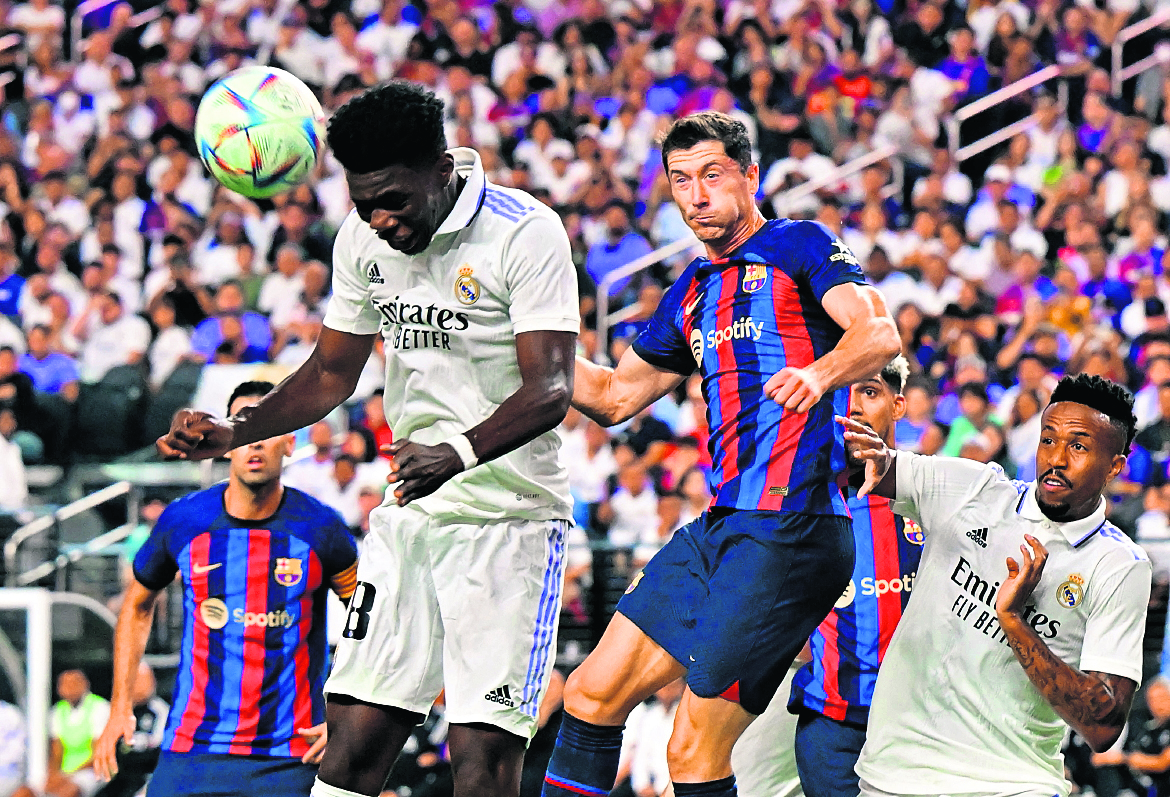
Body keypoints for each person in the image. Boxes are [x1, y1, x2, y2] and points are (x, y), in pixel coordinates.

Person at [155, 80, 579, 797]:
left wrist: (459, 452)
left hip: (510, 526)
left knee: (480, 762)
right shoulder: (363, 239)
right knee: (348, 751)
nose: (380, 219)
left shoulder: (523, 231)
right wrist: (234, 428)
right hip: (412, 515)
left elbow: (551, 386)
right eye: (364, 204)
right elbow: (329, 371)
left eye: (394, 201)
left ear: (441, 172)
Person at [542, 111, 900, 797]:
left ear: (749, 176)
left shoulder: (798, 244)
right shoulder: (692, 290)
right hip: (723, 526)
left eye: (711, 174)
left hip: (793, 531)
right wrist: (526, 337)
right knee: (588, 695)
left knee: (692, 749)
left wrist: (820, 374)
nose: (696, 194)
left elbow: (878, 333)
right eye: (681, 180)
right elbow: (616, 395)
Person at [841, 372, 1152, 797]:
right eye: (1048, 439)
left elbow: (1102, 725)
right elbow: (869, 461)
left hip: (1012, 785)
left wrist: (1013, 619)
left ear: (1115, 465)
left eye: (1078, 446)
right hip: (894, 777)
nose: (1056, 458)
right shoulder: (975, 489)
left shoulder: (1119, 565)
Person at [93, 380, 360, 797]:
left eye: (268, 429)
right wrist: (120, 706)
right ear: (226, 443)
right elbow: (137, 605)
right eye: (243, 428)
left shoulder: (322, 529)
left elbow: (369, 617)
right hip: (192, 751)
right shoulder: (185, 520)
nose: (254, 443)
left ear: (290, 442)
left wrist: (349, 714)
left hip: (290, 759)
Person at [787, 356, 921, 797]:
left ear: (898, 406)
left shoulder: (934, 498)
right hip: (831, 728)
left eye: (868, 391)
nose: (854, 406)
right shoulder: (803, 503)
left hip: (919, 724)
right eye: (840, 392)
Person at [98, 662, 169, 797]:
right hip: (120, 775)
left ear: (153, 683)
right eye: (133, 681)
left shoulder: (161, 711)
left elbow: (155, 748)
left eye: (143, 680)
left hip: (146, 774)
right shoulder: (116, 711)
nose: (138, 686)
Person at [46, 670, 110, 797]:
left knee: (69, 791)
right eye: (65, 685)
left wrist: (71, 775)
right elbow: (56, 750)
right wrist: (53, 774)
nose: (69, 689)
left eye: (74, 684)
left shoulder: (100, 707)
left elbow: (99, 752)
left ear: (85, 684)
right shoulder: (57, 711)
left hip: (93, 771)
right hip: (66, 772)